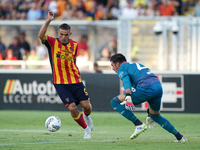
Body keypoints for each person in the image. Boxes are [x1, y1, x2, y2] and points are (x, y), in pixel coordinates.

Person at [38, 11, 93, 139]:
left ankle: (87, 116)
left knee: (87, 107)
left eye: (66, 35)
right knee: (73, 108)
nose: (63, 37)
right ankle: (86, 130)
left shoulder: (74, 45)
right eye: (61, 34)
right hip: (60, 83)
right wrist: (48, 20)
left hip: (75, 80)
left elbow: (74, 62)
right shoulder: (52, 42)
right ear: (58, 33)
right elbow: (41, 36)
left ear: (70, 34)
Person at [109, 53, 187, 143]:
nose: (112, 68)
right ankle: (180, 137)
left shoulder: (122, 68)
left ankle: (138, 124)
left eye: (112, 65)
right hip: (158, 86)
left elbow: (126, 80)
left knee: (114, 102)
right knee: (155, 116)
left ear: (118, 64)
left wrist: (128, 95)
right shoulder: (136, 65)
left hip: (146, 87)